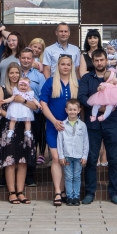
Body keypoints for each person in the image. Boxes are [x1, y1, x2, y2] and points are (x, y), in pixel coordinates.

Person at [79, 48, 117, 205]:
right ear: (92, 62)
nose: (99, 63)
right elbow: (82, 97)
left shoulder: (116, 76)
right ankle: (90, 192)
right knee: (92, 159)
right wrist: (99, 107)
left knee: (113, 159)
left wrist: (111, 102)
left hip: (111, 124)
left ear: (106, 60)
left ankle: (114, 193)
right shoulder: (87, 78)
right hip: (93, 125)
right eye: (96, 60)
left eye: (102, 60)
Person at [0, 61, 38, 204]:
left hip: (25, 127)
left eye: (16, 73)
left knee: (23, 160)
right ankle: (11, 192)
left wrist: (23, 101)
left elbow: (34, 106)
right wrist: (10, 115)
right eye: (11, 73)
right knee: (10, 160)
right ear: (7, 74)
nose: (14, 75)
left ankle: (20, 191)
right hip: (9, 126)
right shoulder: (3, 89)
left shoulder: (26, 88)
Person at [39, 55, 78, 206]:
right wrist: (54, 121)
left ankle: (65, 191)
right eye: (63, 64)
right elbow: (43, 103)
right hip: (53, 127)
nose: (66, 67)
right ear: (58, 65)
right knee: (56, 158)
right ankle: (57, 191)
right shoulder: (50, 82)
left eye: (68, 64)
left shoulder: (77, 83)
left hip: (70, 129)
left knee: (65, 159)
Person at [58, 98, 89, 206]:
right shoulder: (62, 125)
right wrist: (61, 156)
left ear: (79, 110)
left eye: (74, 110)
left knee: (77, 176)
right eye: (70, 109)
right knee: (68, 176)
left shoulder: (82, 125)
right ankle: (69, 197)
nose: (72, 112)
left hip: (78, 155)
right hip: (67, 156)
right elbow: (60, 141)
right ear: (66, 110)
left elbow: (86, 141)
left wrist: (84, 156)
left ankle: (76, 196)